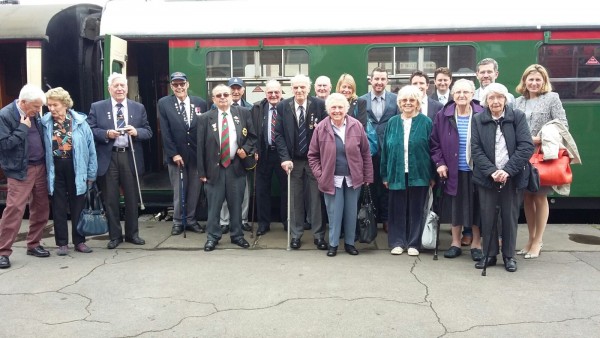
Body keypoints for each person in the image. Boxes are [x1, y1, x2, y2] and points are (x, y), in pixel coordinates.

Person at [471, 83, 534, 272]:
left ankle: (509, 256)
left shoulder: (517, 117)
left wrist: (507, 170)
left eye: (499, 97)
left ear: (506, 99)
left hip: (512, 177)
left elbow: (526, 146)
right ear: (486, 101)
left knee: (509, 216)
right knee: (487, 215)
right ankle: (489, 254)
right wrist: (492, 171)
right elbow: (476, 149)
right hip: (486, 177)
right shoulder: (478, 119)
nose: (496, 101)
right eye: (491, 98)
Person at [87, 73, 153, 249]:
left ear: (127, 88)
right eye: (116, 86)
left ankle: (132, 234)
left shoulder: (138, 108)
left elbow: (148, 131)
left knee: (132, 198)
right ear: (109, 89)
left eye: (122, 86)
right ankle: (115, 236)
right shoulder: (97, 107)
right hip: (109, 156)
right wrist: (106, 134)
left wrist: (136, 131)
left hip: (129, 155)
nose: (119, 89)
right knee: (111, 199)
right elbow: (90, 129)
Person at [308, 93, 373, 257]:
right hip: (331, 179)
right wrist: (320, 175)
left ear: (346, 109)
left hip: (353, 178)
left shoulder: (356, 125)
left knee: (351, 212)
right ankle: (333, 244)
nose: (337, 110)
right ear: (328, 109)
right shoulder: (321, 128)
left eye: (340, 107)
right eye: (333, 107)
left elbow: (366, 152)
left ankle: (350, 243)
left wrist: (367, 176)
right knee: (334, 213)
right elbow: (313, 155)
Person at [515, 64, 569, 259]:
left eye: (538, 79)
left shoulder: (552, 99)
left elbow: (562, 125)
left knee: (539, 196)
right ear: (525, 81)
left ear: (544, 81)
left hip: (543, 154)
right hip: (523, 155)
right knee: (527, 198)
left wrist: (539, 138)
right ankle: (530, 238)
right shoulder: (518, 101)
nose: (534, 83)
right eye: (531, 79)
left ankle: (538, 241)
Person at [197, 84, 257, 251]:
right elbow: (200, 148)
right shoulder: (205, 118)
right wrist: (201, 172)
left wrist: (245, 150)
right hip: (213, 170)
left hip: (235, 167)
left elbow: (253, 137)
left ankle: (237, 235)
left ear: (231, 96)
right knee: (214, 207)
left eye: (226, 94)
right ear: (213, 99)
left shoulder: (243, 113)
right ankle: (212, 237)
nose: (223, 97)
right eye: (219, 95)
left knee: (236, 205)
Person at [430, 79, 484, 261]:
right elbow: (434, 143)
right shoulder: (443, 115)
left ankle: (477, 244)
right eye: (458, 92)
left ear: (472, 95)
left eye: (465, 92)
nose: (461, 95)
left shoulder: (481, 113)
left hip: (477, 170)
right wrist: (440, 163)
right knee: (455, 207)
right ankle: (455, 243)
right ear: (453, 95)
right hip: (452, 169)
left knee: (477, 206)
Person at [274, 74, 328, 250]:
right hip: (293, 161)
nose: (299, 91)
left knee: (316, 199)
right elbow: (279, 135)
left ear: (308, 88)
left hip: (314, 160)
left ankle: (319, 235)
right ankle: (296, 235)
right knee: (295, 199)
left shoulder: (319, 106)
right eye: (296, 87)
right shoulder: (283, 106)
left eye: (302, 87)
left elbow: (325, 133)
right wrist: (284, 158)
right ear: (291, 89)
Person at [42, 87, 97, 255]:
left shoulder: (80, 123)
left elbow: (91, 148)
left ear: (65, 104)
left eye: (55, 105)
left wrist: (91, 173)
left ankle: (79, 241)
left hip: (76, 168)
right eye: (49, 105)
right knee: (58, 207)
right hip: (56, 168)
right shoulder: (45, 123)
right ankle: (62, 243)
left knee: (78, 206)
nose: (52, 109)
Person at [0, 84, 50, 269]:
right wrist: (22, 127)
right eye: (36, 107)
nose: (38, 111)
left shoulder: (34, 115)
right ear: (22, 102)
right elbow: (4, 145)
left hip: (40, 167)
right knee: (14, 210)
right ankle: (3, 252)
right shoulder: (5, 115)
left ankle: (34, 244)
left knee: (41, 208)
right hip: (20, 170)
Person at [381, 85, 433, 256]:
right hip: (396, 172)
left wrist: (432, 175)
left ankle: (414, 243)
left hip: (419, 173)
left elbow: (433, 150)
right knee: (397, 209)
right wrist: (385, 175)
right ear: (399, 103)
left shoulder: (426, 122)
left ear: (418, 102)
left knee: (417, 209)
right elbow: (385, 151)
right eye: (404, 100)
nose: (408, 103)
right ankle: (397, 242)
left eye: (412, 100)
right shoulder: (392, 122)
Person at [157, 72, 207, 236]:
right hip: (176, 156)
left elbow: (203, 130)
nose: (179, 87)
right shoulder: (164, 103)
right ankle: (178, 221)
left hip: (196, 155)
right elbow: (165, 132)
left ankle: (191, 220)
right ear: (171, 86)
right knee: (179, 190)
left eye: (182, 84)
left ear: (187, 85)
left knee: (194, 190)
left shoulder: (200, 103)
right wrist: (173, 153)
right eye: (175, 84)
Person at [359, 67, 399, 233]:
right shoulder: (361, 101)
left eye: (383, 79)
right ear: (370, 80)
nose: (379, 82)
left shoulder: (395, 100)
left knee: (387, 186)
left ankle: (387, 218)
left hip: (389, 150)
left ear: (387, 81)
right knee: (370, 184)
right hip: (368, 150)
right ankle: (371, 218)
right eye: (376, 79)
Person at [252, 79, 287, 236]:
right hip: (263, 154)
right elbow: (252, 131)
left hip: (283, 155)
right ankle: (263, 223)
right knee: (262, 190)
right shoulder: (258, 108)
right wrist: (255, 150)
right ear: (266, 94)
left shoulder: (287, 107)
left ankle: (287, 221)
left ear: (281, 93)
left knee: (287, 189)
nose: (273, 95)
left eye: (276, 92)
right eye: (270, 92)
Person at [220, 77, 252, 233]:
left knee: (243, 191)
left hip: (241, 158)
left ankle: (243, 220)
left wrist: (246, 150)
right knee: (224, 191)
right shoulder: (216, 107)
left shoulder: (249, 109)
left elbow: (253, 134)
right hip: (223, 158)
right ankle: (224, 221)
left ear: (243, 90)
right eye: (232, 88)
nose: (235, 91)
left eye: (238, 88)